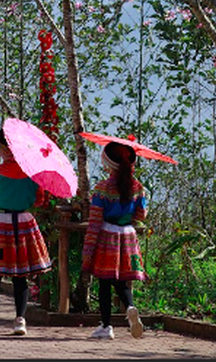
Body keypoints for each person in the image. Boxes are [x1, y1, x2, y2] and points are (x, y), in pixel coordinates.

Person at [0, 128, 52, 335]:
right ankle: (20, 319)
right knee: (21, 275)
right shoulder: (32, 171)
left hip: (1, 224)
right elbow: (40, 199)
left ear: (1, 148)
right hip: (25, 223)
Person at [81, 140, 147, 340]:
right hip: (128, 236)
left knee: (104, 280)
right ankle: (130, 307)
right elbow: (141, 215)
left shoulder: (102, 188)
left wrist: (88, 250)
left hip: (107, 236)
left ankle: (106, 326)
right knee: (122, 279)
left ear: (108, 164)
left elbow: (94, 222)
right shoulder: (138, 188)